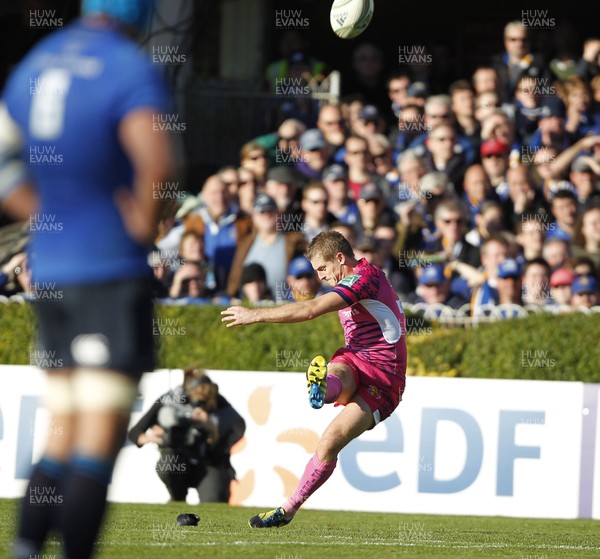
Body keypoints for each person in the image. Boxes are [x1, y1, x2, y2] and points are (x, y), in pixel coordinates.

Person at [0, 1, 174, 558]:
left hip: (50, 270)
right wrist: (139, 229)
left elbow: (2, 165)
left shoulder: (37, 60)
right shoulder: (126, 65)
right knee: (96, 444)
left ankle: (26, 548)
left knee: (63, 432)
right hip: (107, 272)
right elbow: (159, 165)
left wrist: (46, 213)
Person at [221, 230, 407, 528]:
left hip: (385, 379)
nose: (320, 277)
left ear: (340, 258)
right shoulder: (354, 279)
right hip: (354, 358)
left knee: (329, 443)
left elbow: (310, 309)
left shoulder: (364, 279)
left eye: (322, 269)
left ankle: (289, 507)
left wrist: (255, 315)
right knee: (338, 371)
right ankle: (322, 388)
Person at [128, 368, 245, 503]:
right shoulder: (169, 400)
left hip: (209, 464)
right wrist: (150, 437)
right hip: (179, 461)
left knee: (214, 497)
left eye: (204, 400)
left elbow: (236, 430)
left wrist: (212, 428)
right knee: (167, 465)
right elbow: (134, 433)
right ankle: (177, 497)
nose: (199, 405)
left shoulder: (221, 406)